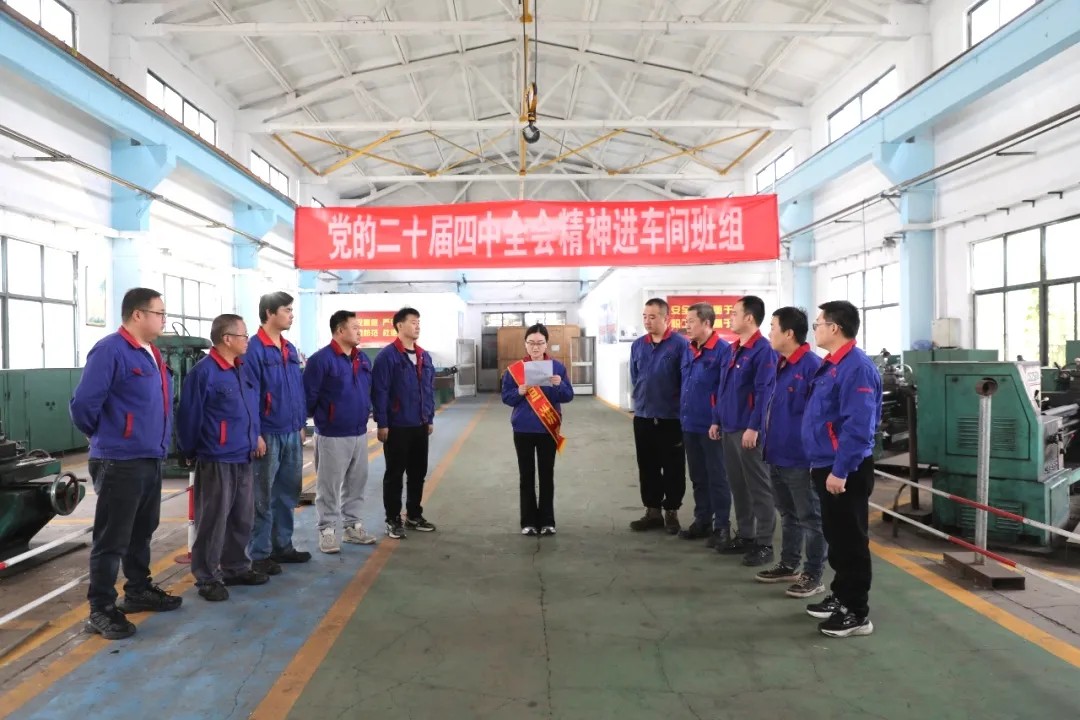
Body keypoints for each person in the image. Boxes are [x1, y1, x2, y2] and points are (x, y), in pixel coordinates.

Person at [70, 287, 183, 640]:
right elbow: (83, 405)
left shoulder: (152, 352)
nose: (164, 319)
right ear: (138, 315)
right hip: (119, 459)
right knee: (112, 537)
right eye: (159, 313)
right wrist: (106, 436)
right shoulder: (111, 350)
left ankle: (137, 590)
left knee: (142, 530)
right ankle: (100, 609)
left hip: (149, 456)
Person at [802, 301, 882, 638]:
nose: (815, 329)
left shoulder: (856, 368)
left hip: (845, 468)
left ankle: (857, 613)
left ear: (834, 328)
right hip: (826, 464)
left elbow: (858, 426)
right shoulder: (833, 364)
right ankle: (841, 595)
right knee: (836, 538)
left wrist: (841, 470)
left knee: (851, 540)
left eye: (818, 323)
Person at [177, 314, 268, 601]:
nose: (247, 341)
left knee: (242, 517)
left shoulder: (241, 368)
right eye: (243, 336)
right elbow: (189, 416)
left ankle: (236, 567)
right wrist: (190, 451)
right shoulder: (204, 373)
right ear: (227, 339)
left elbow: (249, 408)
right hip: (216, 457)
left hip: (243, 455)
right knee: (213, 521)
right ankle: (206, 577)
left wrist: (255, 435)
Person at [756, 307, 827, 599]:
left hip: (800, 458)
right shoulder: (780, 364)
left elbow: (820, 417)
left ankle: (813, 574)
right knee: (788, 514)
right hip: (776, 454)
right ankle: (788, 564)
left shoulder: (812, 367)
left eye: (773, 327)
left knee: (811, 518)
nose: (769, 333)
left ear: (789, 333)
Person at [245, 291, 311, 575]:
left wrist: (300, 424)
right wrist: (255, 433)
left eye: (291, 310)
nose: (291, 315)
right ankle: (259, 554)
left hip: (291, 431)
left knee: (287, 492)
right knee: (262, 496)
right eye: (286, 310)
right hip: (268, 433)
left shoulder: (289, 348)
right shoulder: (254, 349)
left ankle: (282, 546)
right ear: (269, 313)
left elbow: (297, 389)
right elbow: (249, 395)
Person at [709, 295, 778, 566]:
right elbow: (722, 388)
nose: (730, 318)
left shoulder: (763, 351)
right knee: (738, 486)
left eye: (734, 313)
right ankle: (746, 535)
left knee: (759, 487)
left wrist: (754, 427)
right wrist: (716, 419)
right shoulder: (733, 349)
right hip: (729, 427)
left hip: (748, 431)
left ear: (749, 317)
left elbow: (764, 393)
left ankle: (765, 543)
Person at [304, 311, 378, 553]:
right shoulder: (321, 360)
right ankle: (327, 530)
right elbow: (309, 397)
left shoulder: (362, 359)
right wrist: (320, 420)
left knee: (356, 483)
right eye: (354, 327)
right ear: (339, 330)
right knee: (329, 486)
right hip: (332, 434)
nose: (359, 331)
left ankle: (352, 527)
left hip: (359, 432)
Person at [501, 323, 574, 536]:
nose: (535, 347)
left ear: (546, 344)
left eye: (540, 343)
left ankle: (547, 521)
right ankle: (528, 522)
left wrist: (559, 384)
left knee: (546, 475)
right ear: (525, 344)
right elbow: (506, 397)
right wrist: (519, 391)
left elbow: (568, 396)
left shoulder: (557, 368)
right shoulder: (514, 370)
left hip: (547, 429)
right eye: (531, 343)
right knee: (526, 476)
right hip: (523, 429)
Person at [373, 307, 437, 539]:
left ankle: (413, 515)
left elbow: (428, 389)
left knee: (418, 473)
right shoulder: (387, 356)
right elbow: (380, 391)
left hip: (419, 424)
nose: (417, 326)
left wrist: (429, 417)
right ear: (399, 325)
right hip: (397, 426)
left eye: (419, 322)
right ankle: (392, 519)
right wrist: (382, 423)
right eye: (413, 322)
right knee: (395, 474)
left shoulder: (423, 356)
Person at [629, 298, 690, 533]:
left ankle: (671, 511)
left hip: (670, 418)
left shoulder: (680, 345)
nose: (647, 321)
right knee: (647, 466)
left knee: (673, 467)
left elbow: (685, 381)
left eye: (652, 317)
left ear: (666, 318)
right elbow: (635, 376)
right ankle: (652, 511)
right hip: (643, 417)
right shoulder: (638, 345)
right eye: (645, 316)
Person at [677, 303, 732, 547]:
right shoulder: (689, 349)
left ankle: (722, 526)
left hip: (712, 427)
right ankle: (702, 521)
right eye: (686, 321)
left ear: (707, 323)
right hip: (690, 424)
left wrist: (717, 420)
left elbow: (725, 391)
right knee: (698, 476)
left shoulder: (723, 351)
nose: (686, 326)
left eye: (691, 321)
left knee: (717, 477)